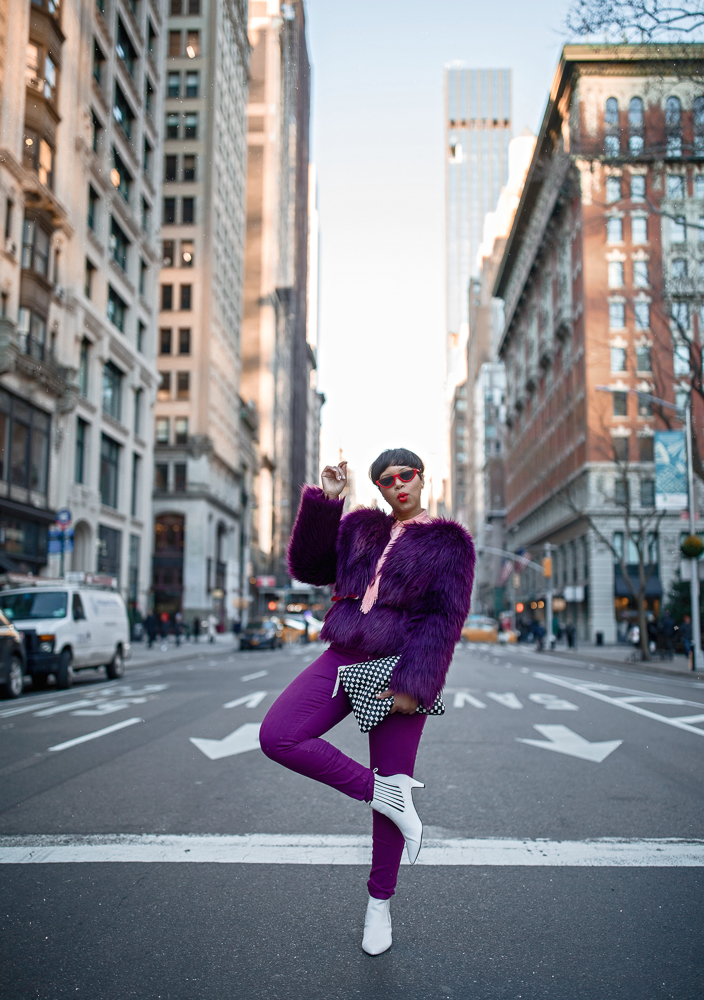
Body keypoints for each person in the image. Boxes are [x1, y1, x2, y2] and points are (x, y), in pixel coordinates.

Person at [259, 449, 475, 956]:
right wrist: (325, 502)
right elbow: (309, 567)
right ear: (377, 488)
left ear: (422, 479)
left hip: (400, 667)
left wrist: (413, 686)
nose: (398, 485)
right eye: (385, 480)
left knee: (395, 777)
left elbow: (444, 619)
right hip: (342, 655)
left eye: (406, 476)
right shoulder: (360, 527)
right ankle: (382, 793)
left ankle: (379, 905)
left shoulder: (450, 544)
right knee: (279, 735)